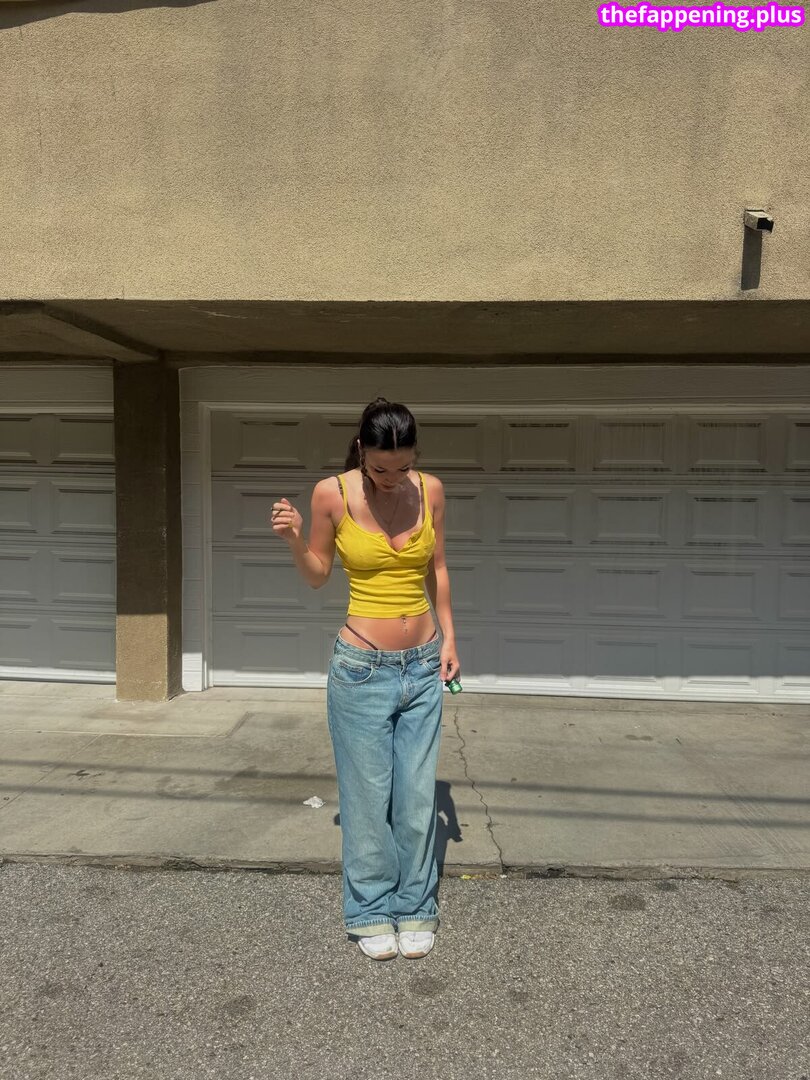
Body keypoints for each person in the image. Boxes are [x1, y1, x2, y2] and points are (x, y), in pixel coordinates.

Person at [270, 397, 460, 962]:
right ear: (361, 451)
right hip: (361, 670)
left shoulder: (431, 490)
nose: (392, 477)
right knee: (367, 798)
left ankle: (415, 904)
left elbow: (438, 567)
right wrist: (294, 539)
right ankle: (371, 909)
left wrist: (450, 639)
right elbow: (317, 575)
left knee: (417, 799)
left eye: (403, 466)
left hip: (422, 663)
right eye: (380, 468)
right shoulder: (331, 493)